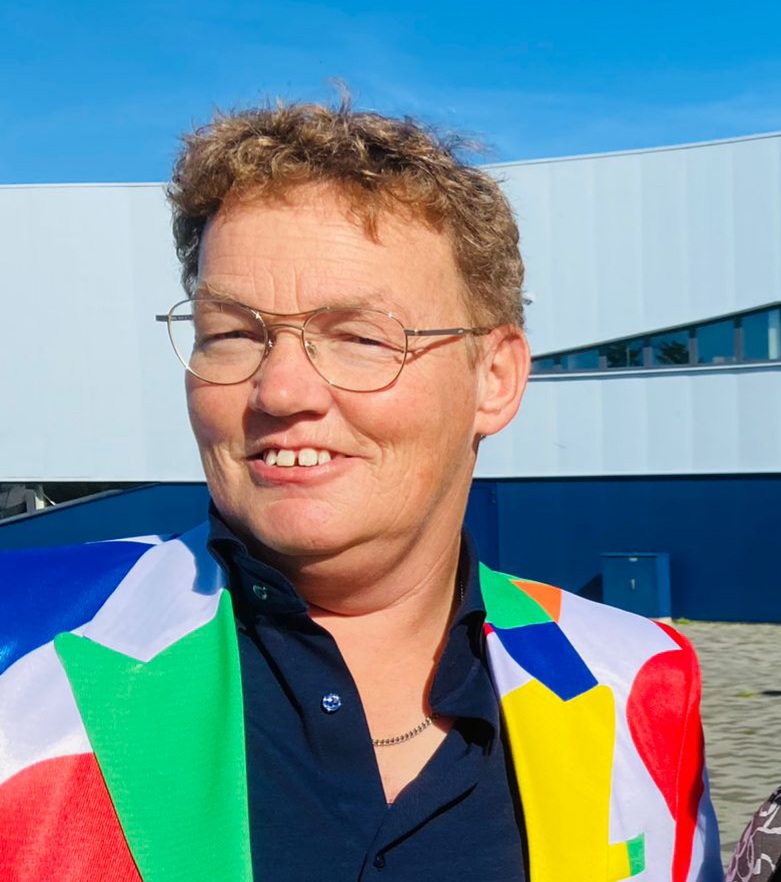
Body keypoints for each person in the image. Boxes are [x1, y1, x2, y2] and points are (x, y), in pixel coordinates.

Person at [0, 99, 722, 882]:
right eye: (233, 333)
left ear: (494, 377)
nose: (279, 390)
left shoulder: (640, 680)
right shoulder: (22, 647)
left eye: (357, 336)